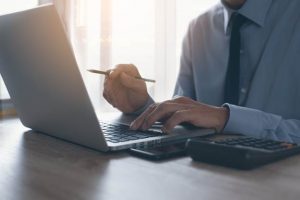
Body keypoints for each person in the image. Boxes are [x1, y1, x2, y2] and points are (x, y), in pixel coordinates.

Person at [103, 0, 300, 143]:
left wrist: (226, 118)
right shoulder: (198, 28)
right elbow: (181, 117)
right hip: (206, 178)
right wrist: (141, 106)